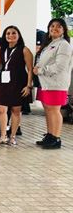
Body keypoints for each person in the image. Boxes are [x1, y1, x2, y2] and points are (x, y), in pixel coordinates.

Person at [0, 25, 33, 146]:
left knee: (15, 110)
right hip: (4, 81)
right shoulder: (1, 49)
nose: (10, 35)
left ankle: (12, 136)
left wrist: (28, 86)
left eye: (14, 33)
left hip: (19, 82)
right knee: (1, 110)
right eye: (8, 33)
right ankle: (3, 136)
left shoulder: (24, 50)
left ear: (19, 35)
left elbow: (30, 69)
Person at [33, 18, 73, 149]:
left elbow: (60, 66)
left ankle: (56, 138)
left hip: (56, 84)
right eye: (52, 26)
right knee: (48, 110)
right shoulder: (50, 44)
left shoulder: (64, 45)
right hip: (46, 83)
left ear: (64, 30)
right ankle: (50, 135)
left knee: (55, 110)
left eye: (59, 26)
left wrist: (40, 70)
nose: (55, 28)